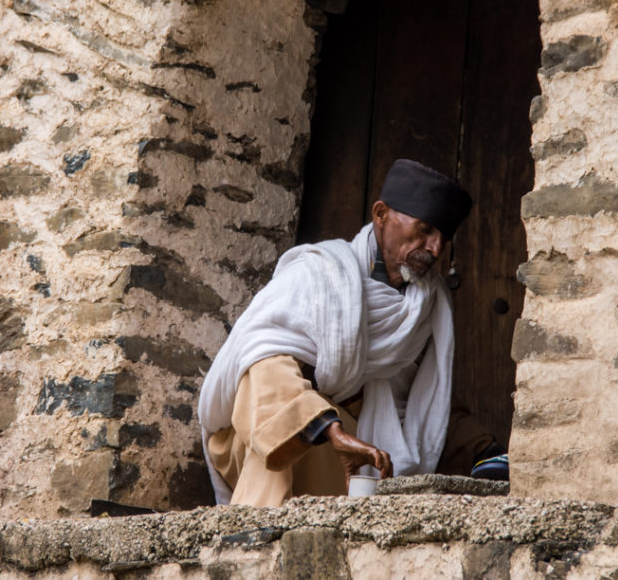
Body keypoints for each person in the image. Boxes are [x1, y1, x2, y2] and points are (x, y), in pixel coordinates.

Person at [197, 159, 498, 507]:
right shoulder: (318, 273)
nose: (434, 248)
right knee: (283, 425)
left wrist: (485, 452)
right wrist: (328, 430)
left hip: (353, 451)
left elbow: (424, 401)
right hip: (257, 431)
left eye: (442, 238)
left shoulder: (426, 307)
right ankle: (253, 534)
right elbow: (261, 362)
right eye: (425, 229)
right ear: (381, 214)